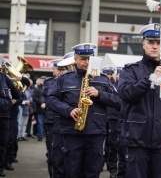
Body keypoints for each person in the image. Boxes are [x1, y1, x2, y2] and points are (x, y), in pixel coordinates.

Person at [117, 23, 161, 178]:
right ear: (143, 44)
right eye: (150, 42)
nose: (155, 46)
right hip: (137, 142)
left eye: (158, 43)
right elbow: (125, 94)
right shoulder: (131, 70)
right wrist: (150, 80)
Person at [47, 43, 121, 178]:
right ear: (75, 59)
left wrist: (100, 94)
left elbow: (119, 101)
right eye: (83, 58)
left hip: (96, 134)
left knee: (92, 172)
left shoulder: (103, 79)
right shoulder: (64, 78)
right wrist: (68, 110)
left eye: (89, 58)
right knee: (71, 172)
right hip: (71, 132)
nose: (86, 62)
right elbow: (51, 99)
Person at [42, 59, 66, 177]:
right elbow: (48, 96)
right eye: (59, 69)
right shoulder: (49, 82)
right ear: (54, 70)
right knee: (53, 154)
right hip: (52, 121)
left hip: (67, 121)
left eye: (63, 69)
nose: (61, 72)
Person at [0, 61, 21, 177]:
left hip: (4, 116)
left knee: (3, 143)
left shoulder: (4, 78)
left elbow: (18, 95)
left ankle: (1, 167)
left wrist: (13, 101)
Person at [101, 66, 119, 178]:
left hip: (113, 117)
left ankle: (112, 168)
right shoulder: (101, 84)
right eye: (106, 74)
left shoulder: (115, 86)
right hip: (102, 117)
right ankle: (101, 163)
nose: (109, 76)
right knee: (100, 143)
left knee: (112, 143)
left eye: (110, 74)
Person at [33, 76, 47, 141]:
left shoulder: (48, 88)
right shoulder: (36, 88)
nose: (42, 81)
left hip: (46, 109)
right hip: (39, 109)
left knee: (44, 123)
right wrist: (41, 102)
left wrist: (45, 103)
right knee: (40, 123)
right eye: (41, 80)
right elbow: (34, 98)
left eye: (43, 80)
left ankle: (43, 134)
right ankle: (40, 135)